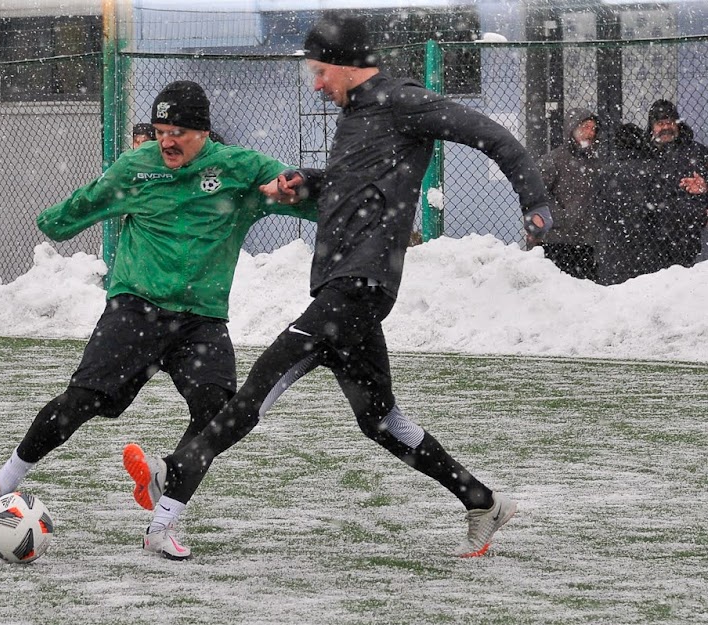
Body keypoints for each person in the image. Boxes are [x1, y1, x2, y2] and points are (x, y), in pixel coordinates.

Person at [122, 12, 553, 561]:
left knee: (257, 389)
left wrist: (534, 200)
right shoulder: (354, 119)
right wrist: (312, 181)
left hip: (358, 287)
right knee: (381, 421)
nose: (317, 84)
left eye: (321, 72)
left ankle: (170, 484)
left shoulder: (404, 101)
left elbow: (495, 137)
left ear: (347, 65)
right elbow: (354, 187)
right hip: (342, 287)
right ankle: (483, 502)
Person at [0, 81, 318, 556]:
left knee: (218, 415)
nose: (167, 141)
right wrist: (54, 219)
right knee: (83, 401)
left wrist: (324, 201)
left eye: (179, 132)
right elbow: (74, 212)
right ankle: (2, 483)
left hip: (201, 321)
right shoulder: (137, 168)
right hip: (135, 309)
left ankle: (161, 524)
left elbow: (298, 190)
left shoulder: (240, 170)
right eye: (161, 130)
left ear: (204, 132)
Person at [594, 100, 708, 284]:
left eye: (670, 122)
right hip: (652, 241)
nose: (666, 128)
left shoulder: (698, 153)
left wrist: (705, 187)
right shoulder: (642, 153)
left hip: (691, 234)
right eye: (660, 123)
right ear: (651, 127)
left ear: (678, 124)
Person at [535, 108, 602, 281]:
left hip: (587, 242)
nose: (590, 133)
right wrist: (561, 216)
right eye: (585, 127)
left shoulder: (597, 162)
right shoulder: (553, 160)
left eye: (593, 128)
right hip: (557, 241)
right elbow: (536, 194)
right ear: (571, 129)